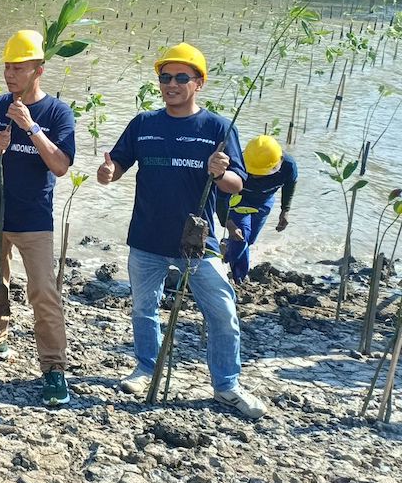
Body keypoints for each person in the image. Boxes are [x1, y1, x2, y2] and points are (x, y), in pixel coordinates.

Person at [97, 42, 267, 419]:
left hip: (198, 242)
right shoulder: (144, 123)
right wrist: (107, 173)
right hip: (146, 237)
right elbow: (115, 167)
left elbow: (237, 184)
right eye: (164, 77)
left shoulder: (218, 128)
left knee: (222, 313)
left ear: (198, 83)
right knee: (144, 309)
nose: (170, 84)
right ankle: (145, 368)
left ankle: (227, 386)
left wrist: (221, 172)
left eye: (180, 77)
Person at [0, 30, 75, 407]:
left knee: (43, 292)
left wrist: (32, 128)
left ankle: (54, 369)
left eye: (19, 68)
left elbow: (60, 166)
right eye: (7, 67)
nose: (10, 74)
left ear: (38, 70)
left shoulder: (56, 112)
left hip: (34, 218)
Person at [220, 135, 297, 283]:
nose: (254, 175)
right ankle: (240, 279)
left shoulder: (288, 166)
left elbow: (290, 184)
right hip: (239, 201)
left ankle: (228, 248)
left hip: (264, 203)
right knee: (241, 237)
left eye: (260, 172)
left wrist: (285, 210)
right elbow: (221, 196)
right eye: (252, 171)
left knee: (249, 240)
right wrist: (229, 224)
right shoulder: (235, 164)